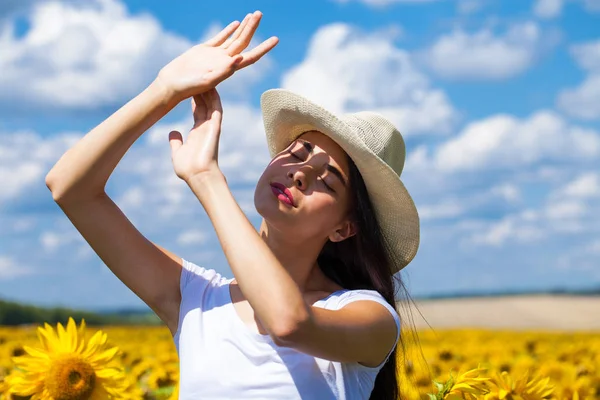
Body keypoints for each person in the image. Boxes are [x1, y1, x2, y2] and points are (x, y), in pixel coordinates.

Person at [45, 10, 420, 400]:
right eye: (297, 151)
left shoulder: (368, 315)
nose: (300, 172)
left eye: (327, 179)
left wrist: (207, 178)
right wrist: (163, 90)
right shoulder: (195, 299)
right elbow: (69, 188)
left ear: (344, 228)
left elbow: (289, 322)